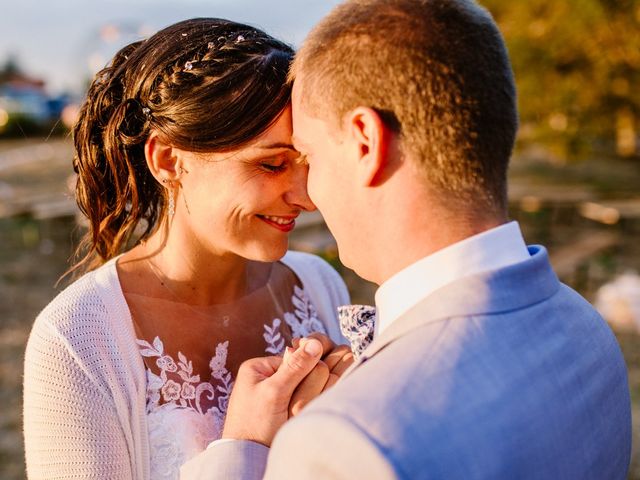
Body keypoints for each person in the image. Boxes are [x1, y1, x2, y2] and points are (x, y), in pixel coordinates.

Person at [181, 1, 632, 478]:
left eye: (310, 157)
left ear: (365, 143)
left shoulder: (348, 441)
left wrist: (244, 452)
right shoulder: (589, 329)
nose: (309, 197)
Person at [23, 18, 352, 480]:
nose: (306, 197)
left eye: (306, 162)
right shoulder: (78, 339)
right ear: (167, 159)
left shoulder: (319, 285)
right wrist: (247, 447)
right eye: (272, 164)